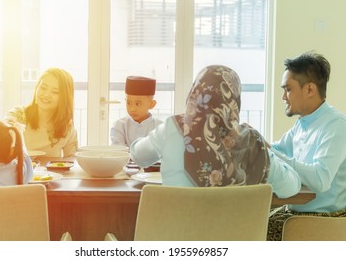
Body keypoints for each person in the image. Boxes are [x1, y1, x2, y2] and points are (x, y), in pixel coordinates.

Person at [130, 65, 301, 197]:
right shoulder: (251, 143)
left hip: (178, 236)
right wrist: (264, 148)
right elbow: (291, 188)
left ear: (194, 94)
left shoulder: (173, 127)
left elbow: (139, 155)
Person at [267, 52, 346, 240]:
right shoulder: (302, 124)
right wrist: (254, 142)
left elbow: (320, 179)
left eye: (287, 89)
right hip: (296, 213)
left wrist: (269, 153)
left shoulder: (337, 125)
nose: (283, 97)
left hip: (324, 219)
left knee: (253, 231)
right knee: (251, 223)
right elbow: (277, 150)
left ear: (310, 89)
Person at [5, 68, 78, 157]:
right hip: (19, 170)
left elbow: (72, 160)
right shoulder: (18, 115)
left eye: (55, 92)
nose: (46, 95)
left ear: (64, 98)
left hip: (50, 171)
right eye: (43, 88)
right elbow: (5, 129)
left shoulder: (67, 127)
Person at [110, 76, 163, 147]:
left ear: (151, 104)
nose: (132, 109)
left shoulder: (159, 127)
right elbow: (118, 152)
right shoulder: (119, 125)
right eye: (128, 103)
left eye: (138, 104)